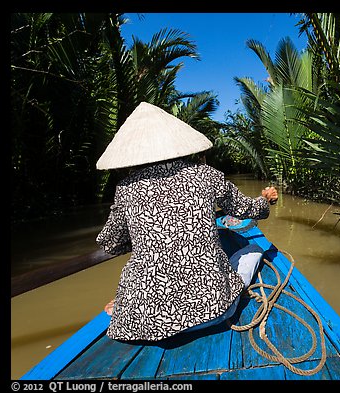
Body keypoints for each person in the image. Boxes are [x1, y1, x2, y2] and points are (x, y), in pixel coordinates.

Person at [95, 101, 278, 342]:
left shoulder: (126, 189)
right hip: (214, 311)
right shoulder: (206, 175)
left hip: (143, 324)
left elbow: (111, 244)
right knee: (254, 249)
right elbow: (247, 209)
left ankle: (128, 301)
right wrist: (265, 201)